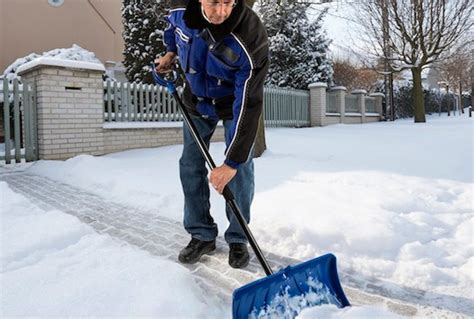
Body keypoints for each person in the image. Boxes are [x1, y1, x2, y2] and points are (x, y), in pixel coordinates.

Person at [155, 0, 269, 269]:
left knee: (240, 168)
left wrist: (230, 163)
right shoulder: (180, 12)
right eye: (214, 2)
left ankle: (238, 238)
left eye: (228, 2)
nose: (221, 12)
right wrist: (170, 54)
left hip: (233, 106)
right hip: (196, 100)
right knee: (190, 165)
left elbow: (249, 102)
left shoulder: (250, 35)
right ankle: (201, 234)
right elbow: (172, 30)